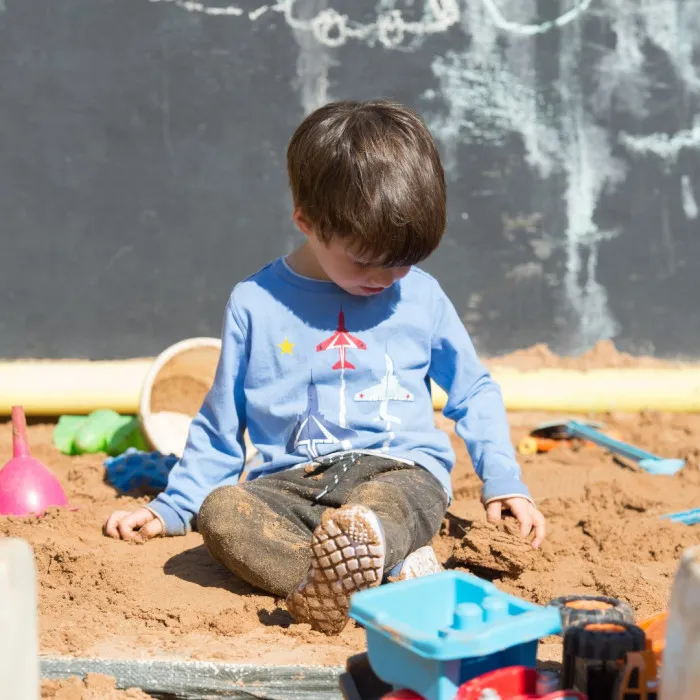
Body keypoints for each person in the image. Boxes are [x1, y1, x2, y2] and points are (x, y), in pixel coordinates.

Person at [105, 100, 546, 635]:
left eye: (404, 261)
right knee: (222, 513)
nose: (386, 278)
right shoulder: (255, 303)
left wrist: (504, 480)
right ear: (307, 222)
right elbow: (222, 420)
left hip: (397, 469)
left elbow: (472, 390)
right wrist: (176, 505)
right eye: (365, 260)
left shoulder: (421, 297)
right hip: (293, 486)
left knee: (391, 503)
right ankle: (362, 575)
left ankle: (374, 548)